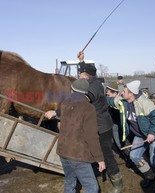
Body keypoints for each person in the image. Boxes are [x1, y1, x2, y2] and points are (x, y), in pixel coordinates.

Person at [45, 52, 124, 193]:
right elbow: (76, 94)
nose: (79, 75)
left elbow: (77, 100)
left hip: (102, 126)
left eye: (81, 73)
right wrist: (81, 61)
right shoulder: (88, 80)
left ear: (87, 76)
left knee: (105, 154)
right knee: (91, 150)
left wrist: (57, 112)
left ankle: (117, 182)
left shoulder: (95, 87)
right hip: (90, 122)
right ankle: (91, 170)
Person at [107, 80, 155, 193]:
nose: (121, 93)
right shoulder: (123, 101)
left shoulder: (145, 103)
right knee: (134, 156)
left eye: (124, 91)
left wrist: (152, 133)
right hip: (140, 134)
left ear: (131, 93)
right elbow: (109, 101)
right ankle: (150, 176)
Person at [46, 78, 105, 193]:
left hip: (63, 152)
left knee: (70, 181)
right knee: (92, 187)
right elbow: (92, 136)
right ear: (85, 92)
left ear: (72, 90)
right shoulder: (89, 108)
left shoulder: (65, 103)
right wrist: (100, 159)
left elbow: (60, 111)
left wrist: (54, 112)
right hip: (78, 154)